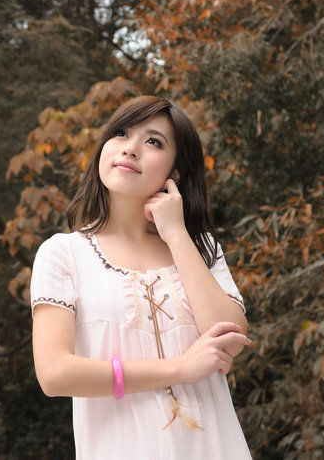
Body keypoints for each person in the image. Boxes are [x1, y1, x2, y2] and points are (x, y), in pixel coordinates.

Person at [30, 96, 253, 459]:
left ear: (175, 172)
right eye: (120, 133)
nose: (131, 148)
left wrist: (176, 234)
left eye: (153, 141)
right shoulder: (63, 254)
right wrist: (179, 369)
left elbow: (229, 336)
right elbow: (54, 374)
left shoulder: (200, 247)